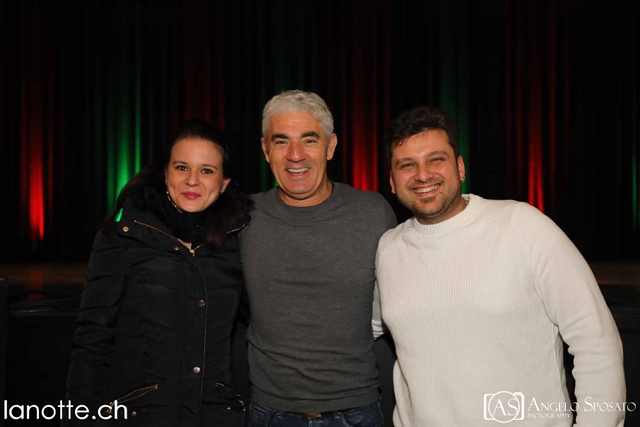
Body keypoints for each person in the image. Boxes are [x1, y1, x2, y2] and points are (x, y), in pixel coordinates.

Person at [376, 106, 626, 426]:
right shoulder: (388, 249)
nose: (423, 175)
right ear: (392, 181)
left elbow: (595, 339)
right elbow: (363, 326)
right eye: (407, 165)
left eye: (436, 159)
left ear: (460, 167)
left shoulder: (522, 225)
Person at [64, 120, 251, 427]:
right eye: (182, 167)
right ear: (166, 173)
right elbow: (92, 339)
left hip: (216, 417)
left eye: (206, 170)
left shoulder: (240, 239)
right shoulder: (124, 235)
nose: (192, 180)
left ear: (224, 183)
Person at [239, 90, 397, 427]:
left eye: (309, 140)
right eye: (281, 141)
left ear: (331, 145)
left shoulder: (372, 212)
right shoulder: (243, 217)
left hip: (358, 411)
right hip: (268, 412)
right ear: (266, 150)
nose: (295, 155)